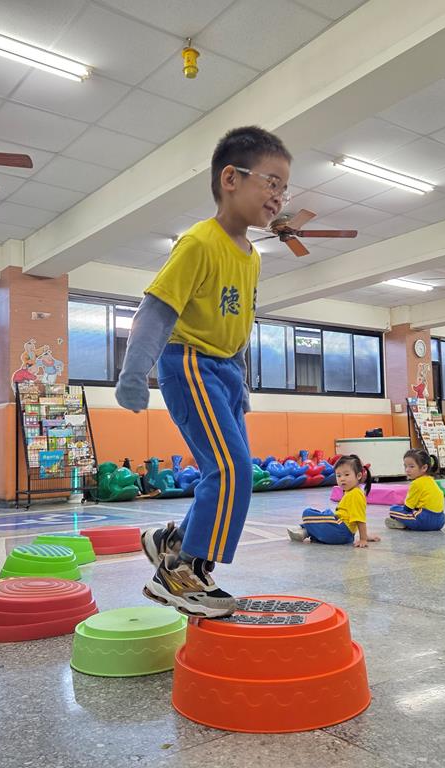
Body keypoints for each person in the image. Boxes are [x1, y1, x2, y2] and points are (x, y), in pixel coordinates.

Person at [117, 126, 292, 618]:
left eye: (285, 188)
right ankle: (180, 574)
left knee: (234, 470)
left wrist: (242, 387)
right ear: (231, 178)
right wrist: (135, 373)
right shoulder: (198, 242)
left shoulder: (252, 257)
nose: (279, 196)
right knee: (230, 469)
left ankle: (172, 543)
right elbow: (156, 311)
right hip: (190, 362)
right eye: (272, 182)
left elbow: (239, 327)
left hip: (225, 371)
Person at [288, 455, 380, 547]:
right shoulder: (351, 491)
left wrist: (363, 539)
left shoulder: (355, 494)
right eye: (338, 475)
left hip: (341, 531)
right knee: (325, 514)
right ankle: (307, 531)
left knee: (307, 513)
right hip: (342, 532)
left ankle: (306, 529)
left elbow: (359, 518)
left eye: (346, 475)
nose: (342, 479)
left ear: (358, 476)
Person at [386, 449, 445, 531]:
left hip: (425, 521)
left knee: (393, 509)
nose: (407, 470)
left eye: (411, 466)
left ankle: (405, 523)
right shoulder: (431, 480)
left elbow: (407, 508)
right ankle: (407, 523)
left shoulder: (416, 483)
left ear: (424, 468)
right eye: (405, 466)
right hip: (440, 521)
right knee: (414, 510)